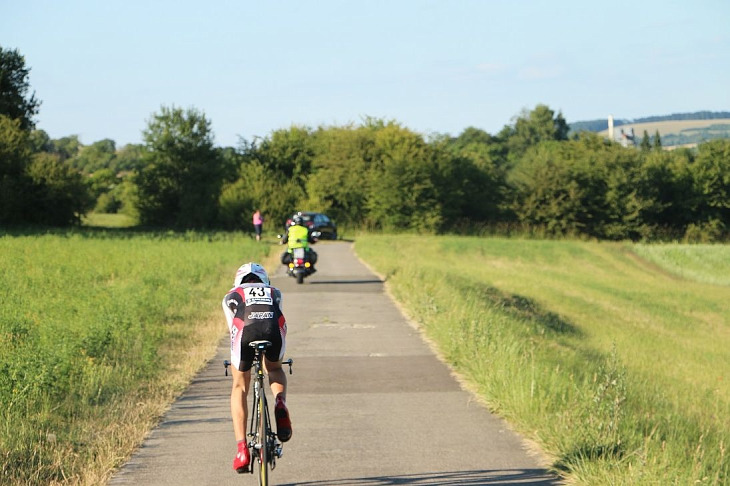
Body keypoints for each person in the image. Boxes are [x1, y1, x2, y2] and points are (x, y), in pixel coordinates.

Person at [222, 262, 292, 473]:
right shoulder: (274, 291)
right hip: (273, 329)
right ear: (264, 280)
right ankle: (280, 402)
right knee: (274, 368)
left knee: (239, 385)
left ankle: (242, 450)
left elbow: (233, 328)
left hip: (245, 331)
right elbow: (276, 313)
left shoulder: (230, 295)